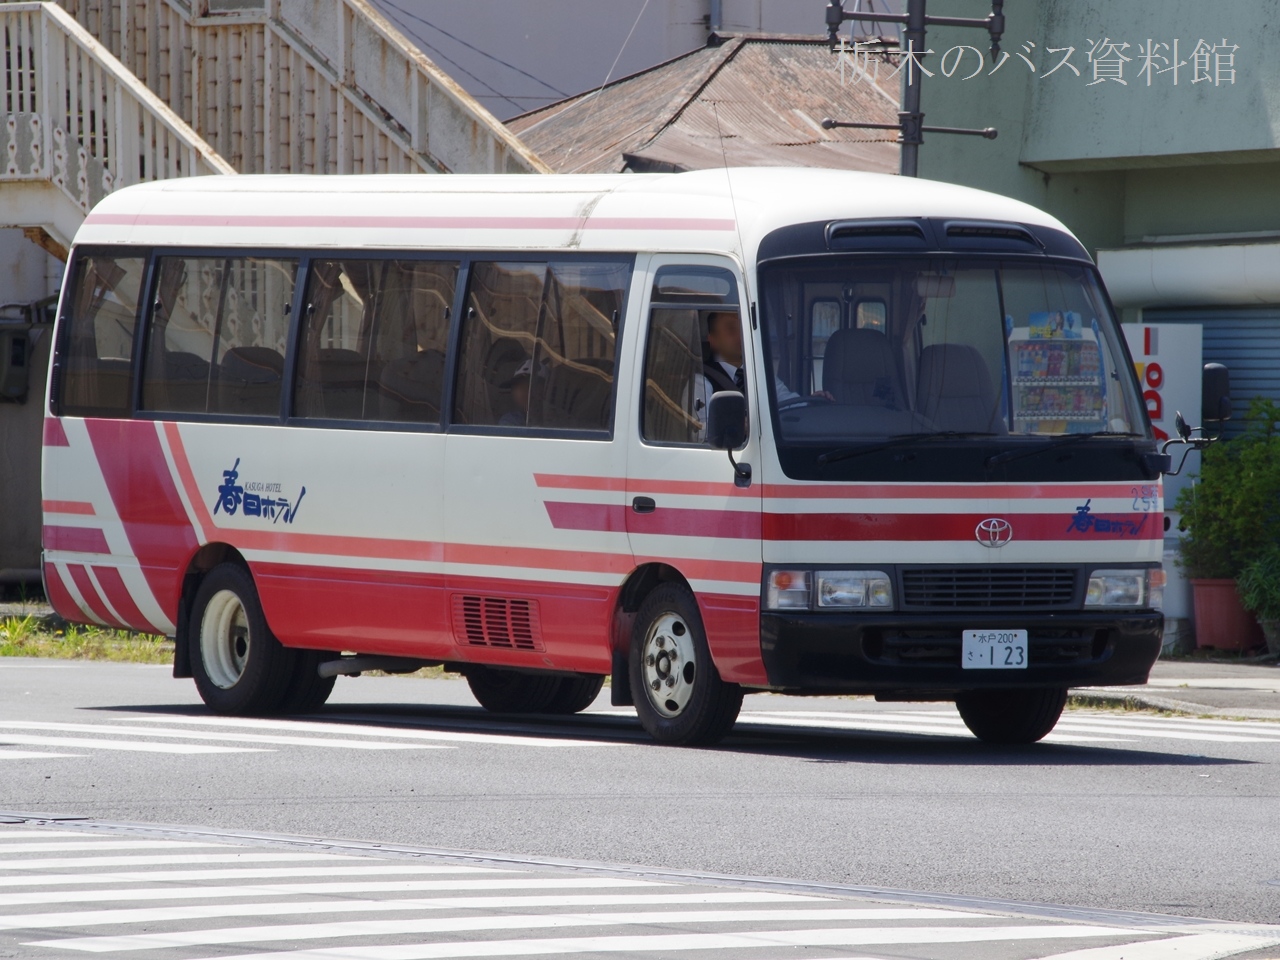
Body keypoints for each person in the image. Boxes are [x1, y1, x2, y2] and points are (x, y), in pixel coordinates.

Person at [694, 310, 816, 428]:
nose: (740, 336)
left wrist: (811, 402)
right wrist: (735, 427)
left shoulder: (761, 374)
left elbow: (787, 402)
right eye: (731, 330)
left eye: (742, 328)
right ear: (713, 340)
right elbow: (702, 430)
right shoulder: (701, 382)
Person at [498, 359, 532, 427]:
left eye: (523, 387)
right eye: (514, 388)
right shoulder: (510, 420)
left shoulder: (553, 420)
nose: (516, 393)